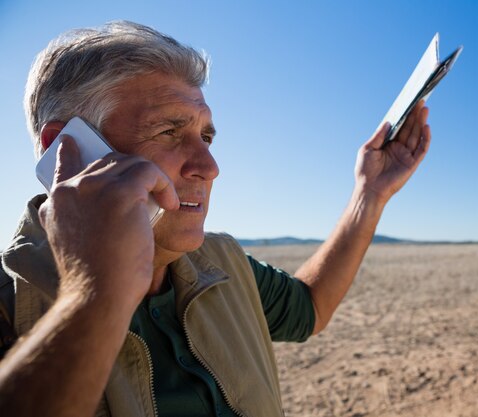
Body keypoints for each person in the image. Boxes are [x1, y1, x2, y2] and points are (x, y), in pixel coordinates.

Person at [0, 21, 431, 417]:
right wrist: (93, 294)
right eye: (169, 131)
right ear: (66, 151)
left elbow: (310, 308)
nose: (209, 166)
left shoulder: (222, 262)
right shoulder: (10, 304)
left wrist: (369, 194)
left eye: (205, 136)